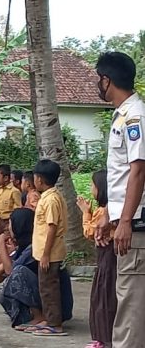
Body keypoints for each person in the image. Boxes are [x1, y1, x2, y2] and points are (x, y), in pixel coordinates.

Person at [95, 52, 145, 348]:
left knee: (130, 310)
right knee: (130, 305)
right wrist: (109, 215)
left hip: (136, 226)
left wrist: (125, 220)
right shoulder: (124, 115)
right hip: (128, 220)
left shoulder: (135, 116)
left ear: (106, 80)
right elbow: (121, 178)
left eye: (97, 79)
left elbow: (138, 171)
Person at [28, 159, 68, 336]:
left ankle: (55, 325)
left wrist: (45, 255)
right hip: (45, 252)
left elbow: (52, 227)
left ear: (39, 179)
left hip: (49, 253)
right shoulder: (49, 196)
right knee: (45, 287)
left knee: (49, 288)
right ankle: (49, 319)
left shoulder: (51, 199)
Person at [76, 170, 116, 348]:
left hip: (107, 257)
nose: (91, 189)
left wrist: (85, 213)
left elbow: (90, 232)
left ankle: (104, 338)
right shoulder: (105, 211)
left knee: (103, 297)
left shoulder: (104, 212)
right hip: (108, 257)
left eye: (93, 185)